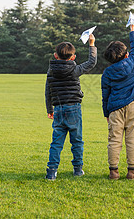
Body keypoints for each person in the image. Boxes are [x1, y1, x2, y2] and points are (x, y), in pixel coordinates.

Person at [45, 34, 97, 181]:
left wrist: (50, 109)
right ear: (73, 57)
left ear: (55, 56)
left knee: (56, 142)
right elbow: (91, 62)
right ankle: (78, 169)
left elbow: (48, 91)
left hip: (58, 109)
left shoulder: (50, 71)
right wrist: (91, 44)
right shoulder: (75, 70)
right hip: (74, 108)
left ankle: (52, 172)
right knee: (77, 141)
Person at [101, 23, 134, 180]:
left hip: (114, 108)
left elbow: (105, 94)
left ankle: (114, 172)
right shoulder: (132, 61)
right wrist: (132, 30)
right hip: (133, 105)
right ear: (126, 55)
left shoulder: (107, 73)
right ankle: (132, 171)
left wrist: (106, 112)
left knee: (114, 139)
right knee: (133, 138)